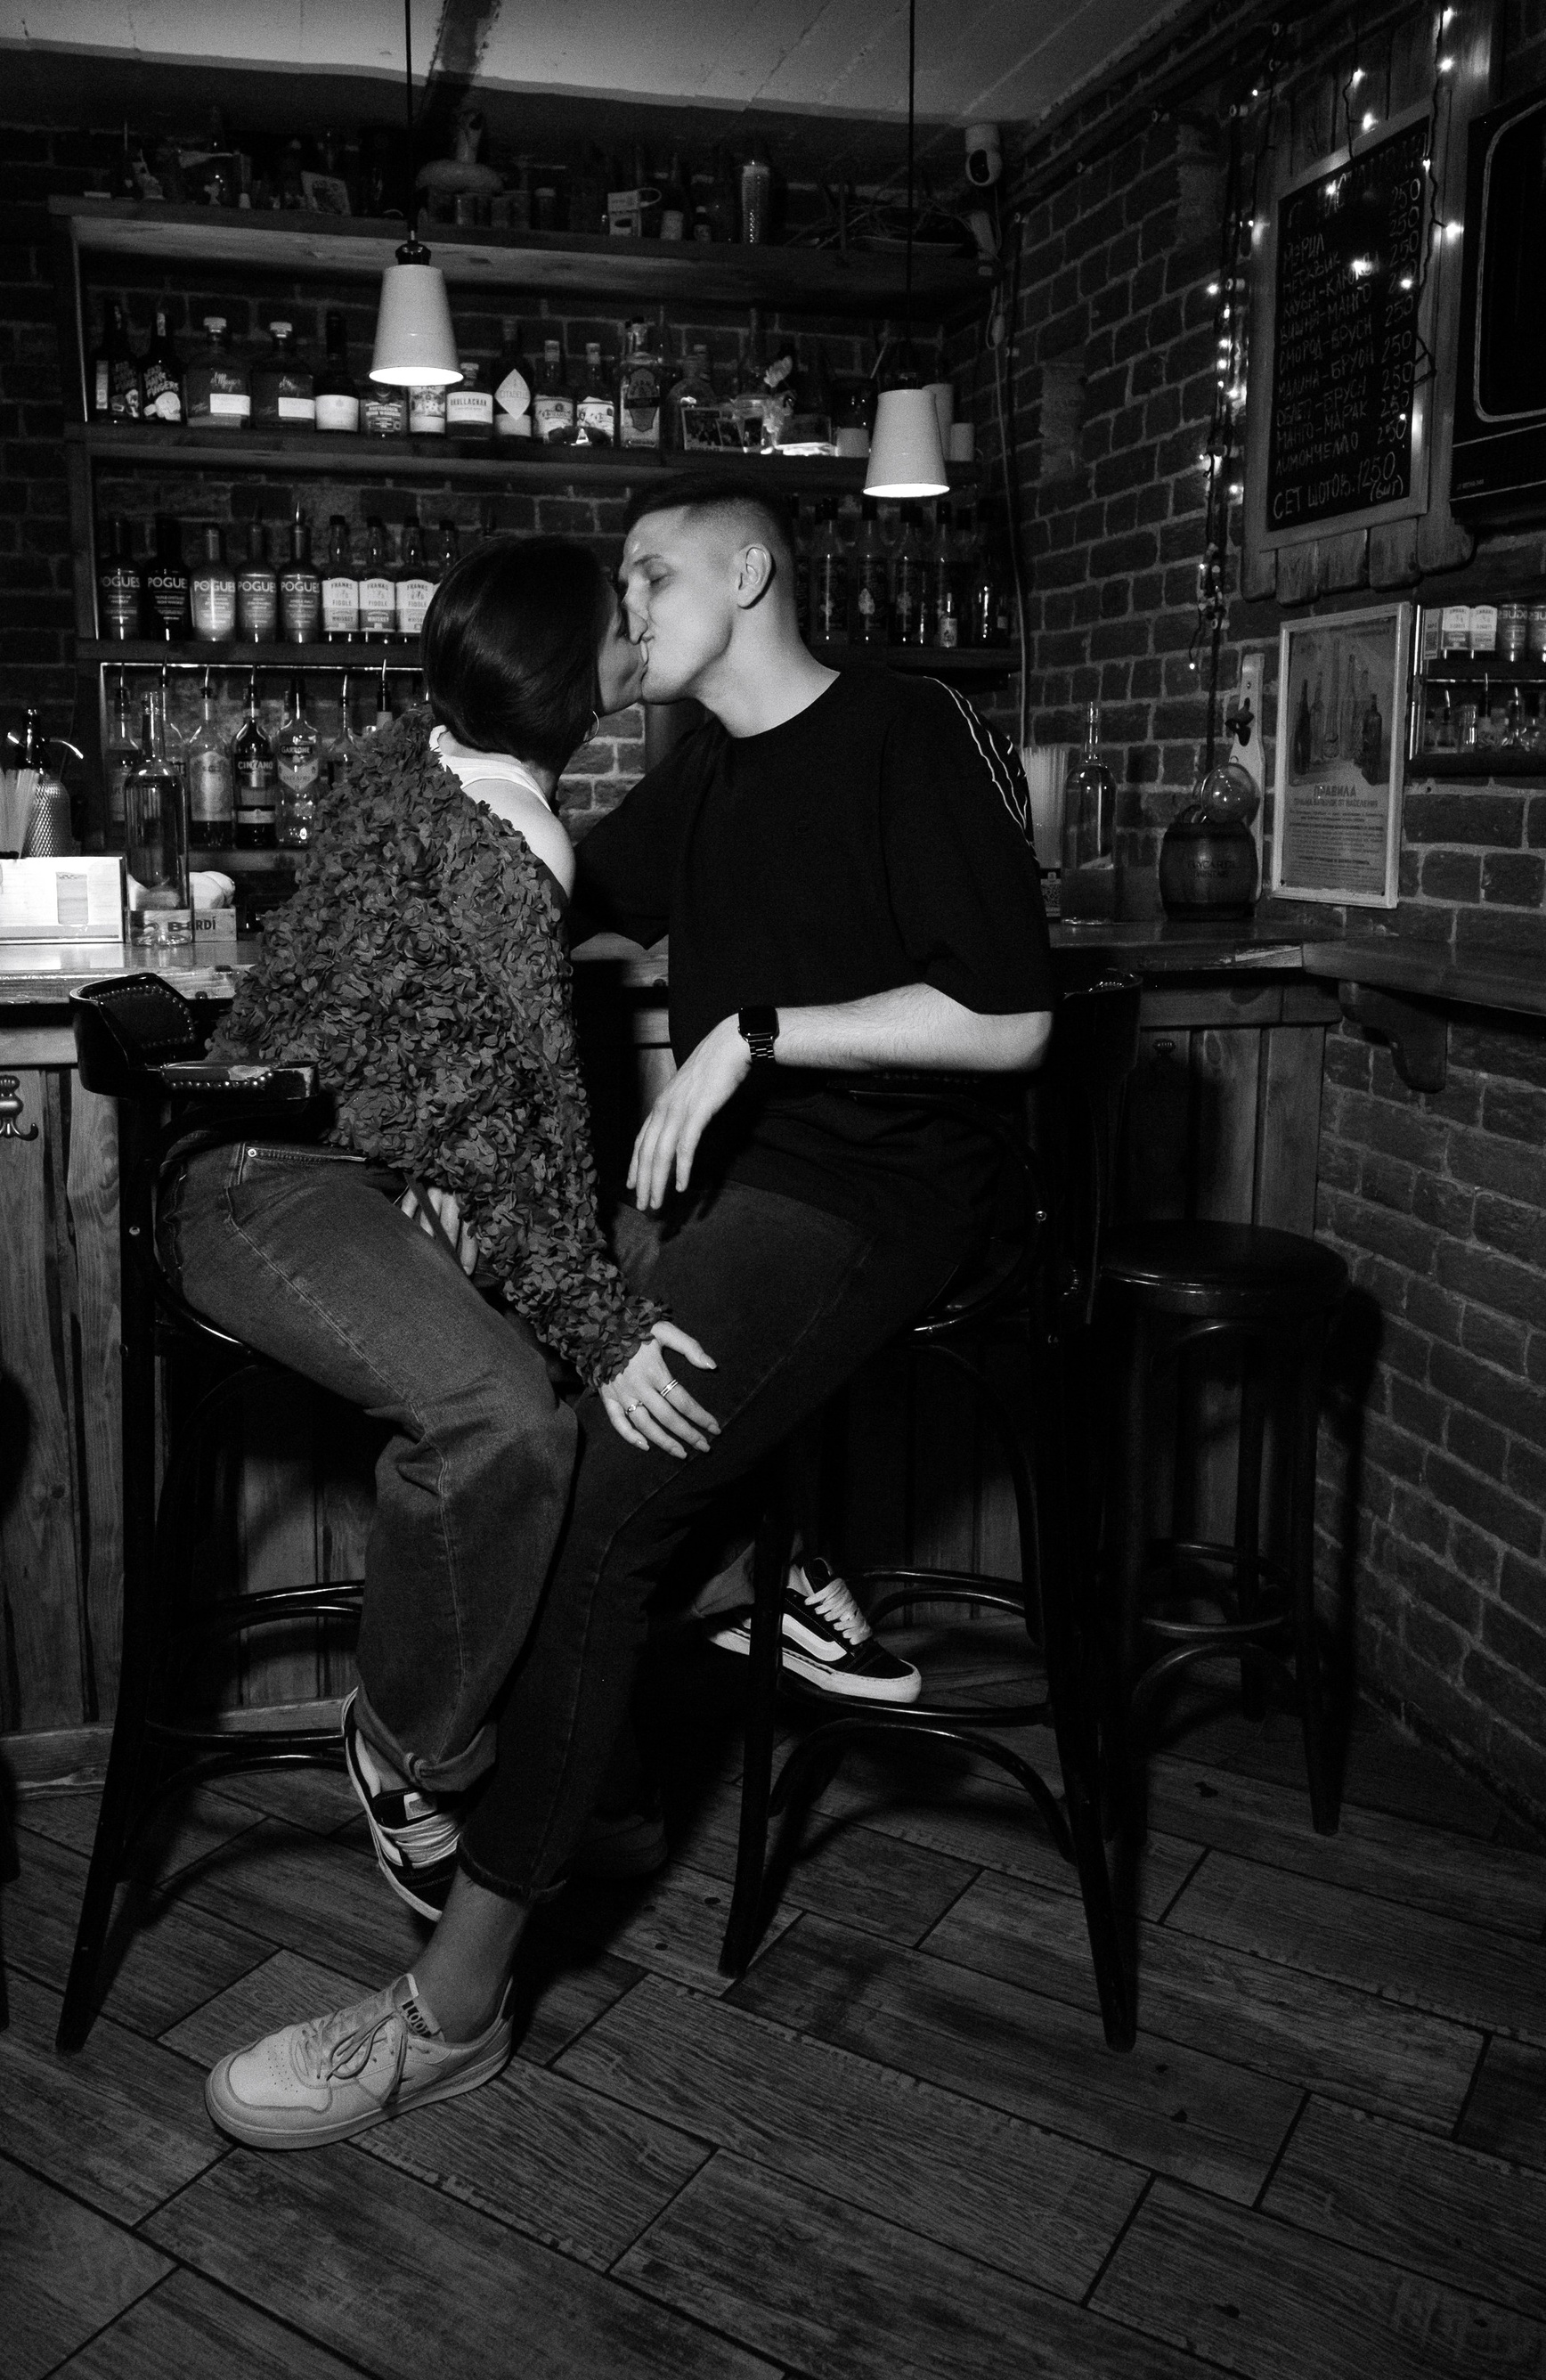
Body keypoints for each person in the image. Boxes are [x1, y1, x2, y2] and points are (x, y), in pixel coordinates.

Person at [205, 477, 1054, 2149]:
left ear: (750, 571)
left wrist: (756, 1035)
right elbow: (519, 882)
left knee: (594, 1494)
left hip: (877, 1192)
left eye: (653, 574)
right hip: (736, 1197)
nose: (629, 606)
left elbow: (1012, 1017)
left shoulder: (903, 727)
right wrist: (423, 1086)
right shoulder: (706, 772)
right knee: (531, 1375)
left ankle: (451, 2011)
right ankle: (711, 1621)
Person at [167, 535, 719, 1952]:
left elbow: (425, 1033)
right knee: (506, 1410)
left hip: (335, 1166)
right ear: (570, 668)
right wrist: (598, 1324)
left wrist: (464, 1191)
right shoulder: (511, 836)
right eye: (620, 618)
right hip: (259, 1180)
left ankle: (573, 1739)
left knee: (636, 1323)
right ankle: (411, 1748)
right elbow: (525, 1119)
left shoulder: (409, 758)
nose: (638, 632)